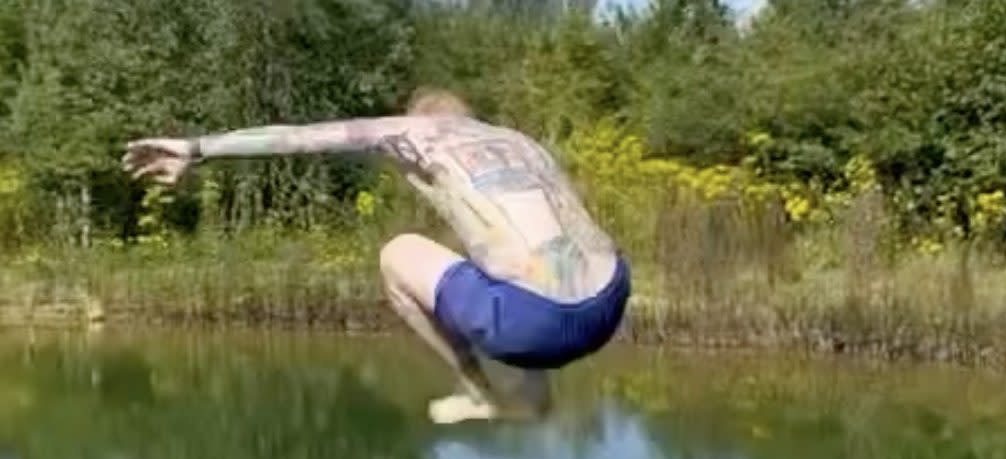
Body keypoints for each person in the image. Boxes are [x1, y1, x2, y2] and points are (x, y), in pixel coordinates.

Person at [123, 89, 631, 424]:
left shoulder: (413, 132)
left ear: (418, 116)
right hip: (609, 300)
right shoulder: (518, 140)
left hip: (529, 325)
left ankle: (480, 390)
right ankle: (532, 388)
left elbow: (296, 139)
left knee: (398, 254)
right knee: (500, 261)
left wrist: (195, 149)